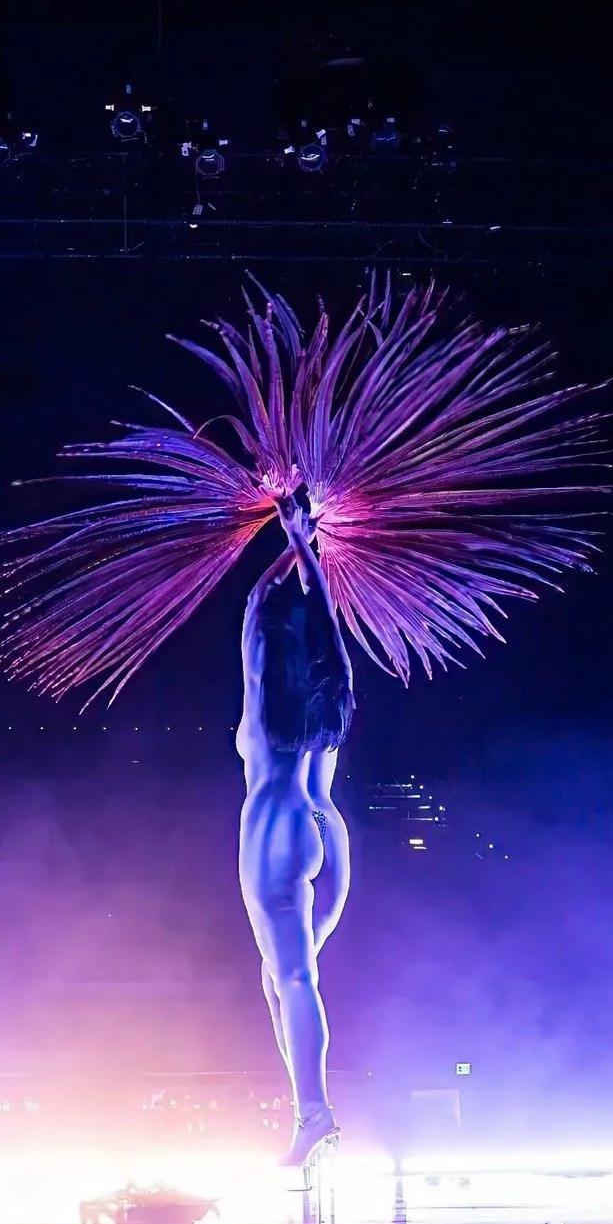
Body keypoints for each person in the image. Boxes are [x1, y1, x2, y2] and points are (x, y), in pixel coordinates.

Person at [237, 489, 354, 1166]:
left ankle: (314, 1112)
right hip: (327, 832)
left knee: (292, 979)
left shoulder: (262, 700)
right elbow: (327, 626)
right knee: (281, 978)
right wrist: (303, 542)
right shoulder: (332, 688)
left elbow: (256, 608)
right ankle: (306, 1111)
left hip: (276, 830)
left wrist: (288, 538)